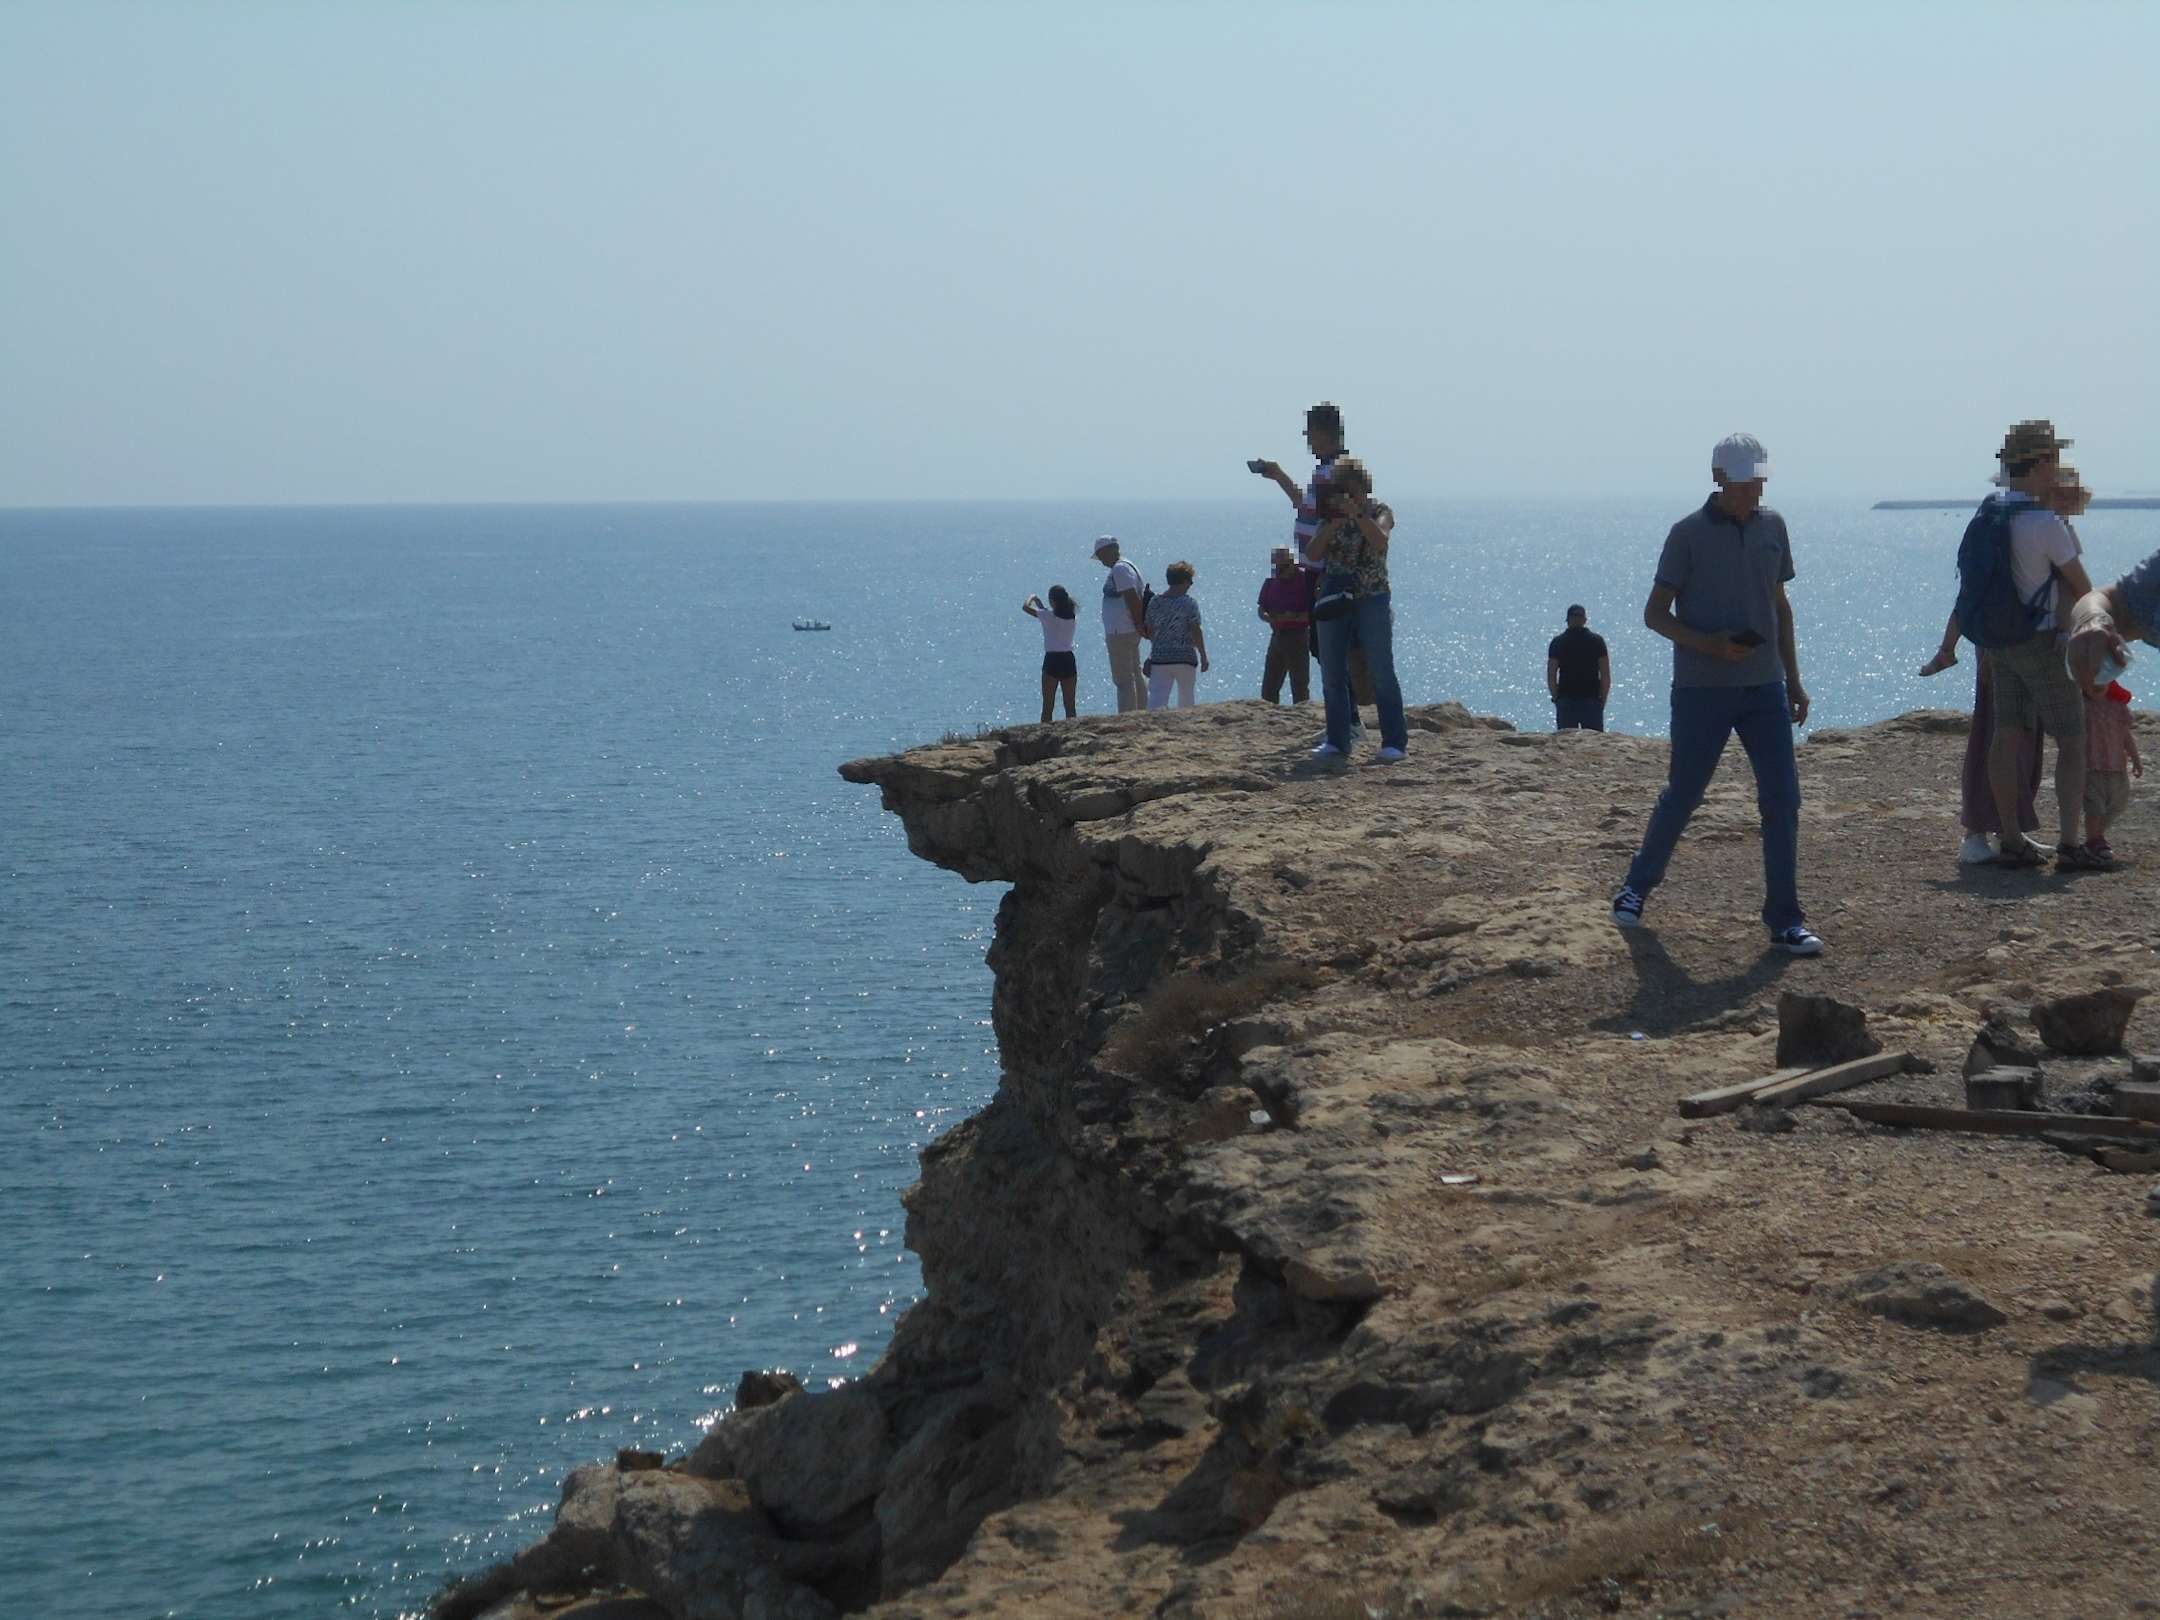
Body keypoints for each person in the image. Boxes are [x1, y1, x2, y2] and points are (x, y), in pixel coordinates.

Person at [1610, 433, 1821, 955]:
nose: (1755, 490)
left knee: (1783, 799)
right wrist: (1709, 644)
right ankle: (1636, 887)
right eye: (1745, 482)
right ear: (1720, 478)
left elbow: (1780, 605)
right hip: (1702, 690)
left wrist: (1794, 679)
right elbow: (1654, 614)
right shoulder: (1686, 535)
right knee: (1684, 793)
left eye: (1759, 481)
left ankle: (1785, 920)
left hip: (1766, 688)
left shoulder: (1774, 526)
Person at [1936, 421, 2099, 870]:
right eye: (2055, 460)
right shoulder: (2044, 523)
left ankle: (2010, 839)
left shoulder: (1991, 512)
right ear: (2042, 463)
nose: (2058, 469)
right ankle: (2070, 844)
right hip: (2041, 641)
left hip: (1999, 644)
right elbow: (2082, 588)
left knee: (2005, 735)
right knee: (2073, 740)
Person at [1249, 402, 1379, 738]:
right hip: (1316, 570)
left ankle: (1349, 722)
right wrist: (1279, 477)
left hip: (1326, 571)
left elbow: (1340, 520)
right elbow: (1306, 509)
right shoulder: (1323, 471)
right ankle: (1346, 721)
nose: (1307, 439)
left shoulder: (1337, 473)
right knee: (1323, 648)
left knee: (1329, 648)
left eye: (1310, 433)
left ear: (1325, 433)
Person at [1306, 458, 1408, 762]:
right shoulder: (1331, 517)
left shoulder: (1380, 511)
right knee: (1333, 671)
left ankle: (1394, 742)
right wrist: (1334, 523)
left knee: (1381, 669)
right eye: (1343, 490)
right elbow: (1313, 554)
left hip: (1372, 596)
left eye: (1353, 490)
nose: (1349, 496)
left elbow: (1380, 540)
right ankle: (1338, 740)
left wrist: (1358, 516)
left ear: (1364, 488)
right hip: (1335, 596)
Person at [2081, 678, 2140, 864]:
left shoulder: (2118, 707)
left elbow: (2126, 736)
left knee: (2117, 804)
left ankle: (2097, 837)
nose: (2097, 686)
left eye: (2103, 681)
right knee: (2094, 806)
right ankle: (2094, 841)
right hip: (2091, 766)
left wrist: (2136, 759)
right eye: (2092, 682)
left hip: (2117, 766)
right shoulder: (2082, 707)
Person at [1141, 561, 1208, 708]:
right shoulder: (1189, 603)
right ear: (1184, 581)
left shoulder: (1155, 602)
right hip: (1185, 657)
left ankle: (1154, 722)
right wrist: (1203, 655)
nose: (1191, 584)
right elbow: (1195, 630)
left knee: (1157, 698)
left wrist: (1153, 652)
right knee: (1186, 698)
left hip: (1160, 658)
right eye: (1190, 580)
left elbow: (1150, 631)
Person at [1093, 536, 1147, 713]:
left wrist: (1139, 624)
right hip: (1127, 629)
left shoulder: (1120, 569)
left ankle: (1127, 713)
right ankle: (1141, 709)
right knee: (1135, 673)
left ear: (1109, 551)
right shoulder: (1126, 566)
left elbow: (1132, 597)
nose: (1101, 560)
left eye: (1101, 555)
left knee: (1123, 679)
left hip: (1121, 631)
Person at [1258, 546, 1312, 704]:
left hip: (1298, 636)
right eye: (1277, 566)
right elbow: (1261, 607)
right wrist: (1267, 617)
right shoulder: (1271, 580)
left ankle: (1302, 714)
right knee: (1269, 686)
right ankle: (1269, 715)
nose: (1280, 570)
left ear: (1293, 563)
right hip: (1277, 636)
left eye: (1284, 566)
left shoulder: (1305, 580)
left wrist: (1294, 617)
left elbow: (1315, 612)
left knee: (1299, 684)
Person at [1547, 605, 1611, 730]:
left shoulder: (1558, 642)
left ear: (1567, 620)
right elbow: (1605, 674)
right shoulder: (1597, 641)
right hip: (1590, 698)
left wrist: (1556, 698)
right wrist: (1603, 699)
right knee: (1593, 739)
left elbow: (1551, 674)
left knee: (1566, 739)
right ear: (1585, 620)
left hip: (1567, 698)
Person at [1022, 585, 1079, 723]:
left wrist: (1032, 597)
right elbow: (1046, 613)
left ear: (1053, 601)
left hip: (1052, 660)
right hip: (1068, 660)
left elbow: (1026, 607)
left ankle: (1044, 731)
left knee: (1048, 705)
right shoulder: (1072, 617)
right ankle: (1073, 730)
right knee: (1070, 705)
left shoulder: (1047, 616)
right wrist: (1039, 603)